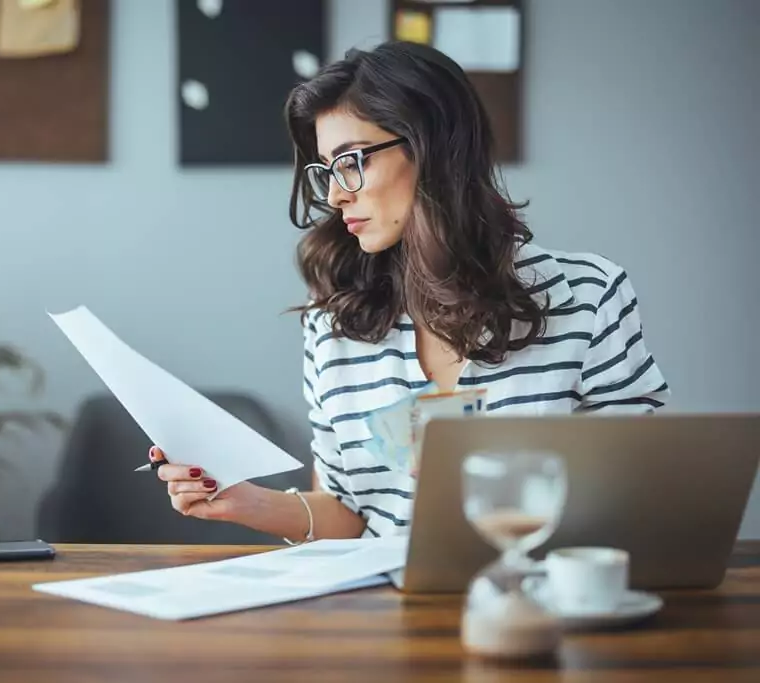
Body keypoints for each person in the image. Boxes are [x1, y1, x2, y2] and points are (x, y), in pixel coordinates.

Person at [149, 41, 669, 543]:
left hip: (542, 605)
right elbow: (349, 514)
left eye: (353, 160)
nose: (335, 194)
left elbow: (641, 493)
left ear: (433, 146)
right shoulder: (333, 326)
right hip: (385, 615)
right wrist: (245, 501)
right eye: (327, 169)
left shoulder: (588, 294)